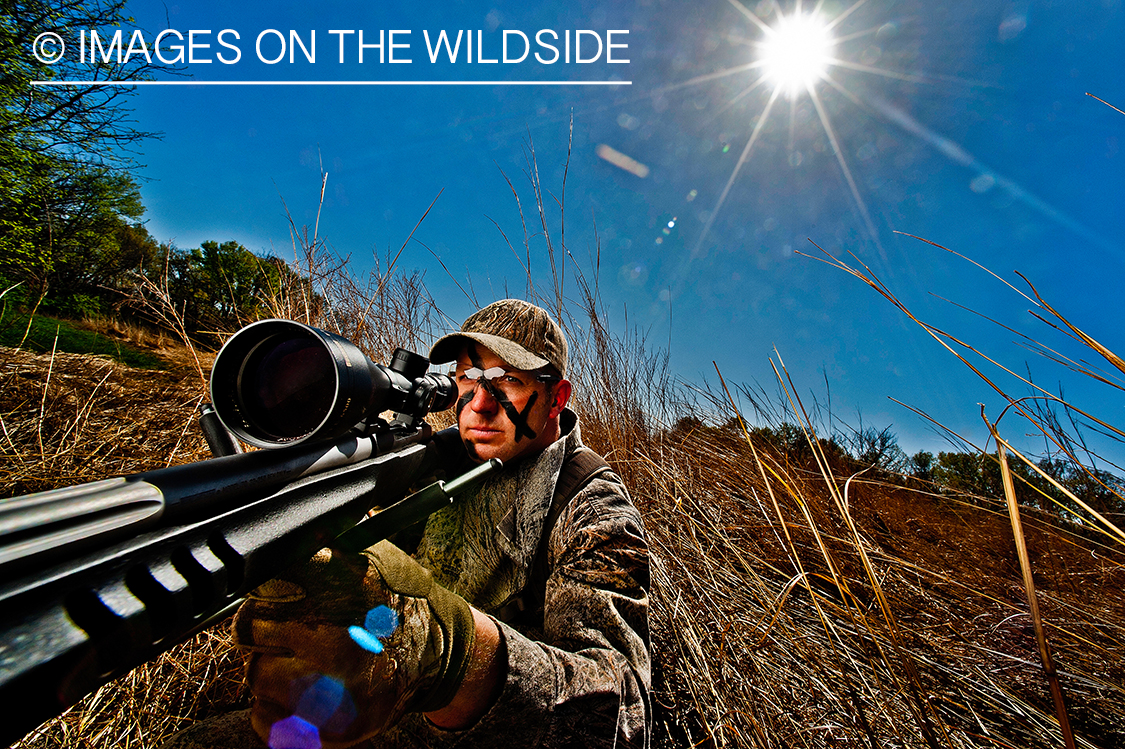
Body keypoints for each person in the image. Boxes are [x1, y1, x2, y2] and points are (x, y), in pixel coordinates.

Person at [165, 299, 651, 749]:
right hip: (368, 708)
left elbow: (623, 716)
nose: (479, 404)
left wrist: (454, 656)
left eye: (508, 382)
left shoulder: (591, 506)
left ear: (556, 396)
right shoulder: (432, 459)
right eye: (467, 378)